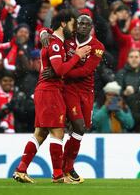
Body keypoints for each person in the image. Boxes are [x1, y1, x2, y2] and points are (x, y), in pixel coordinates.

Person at [13, 10, 90, 184]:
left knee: (40, 133)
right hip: (50, 91)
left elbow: (57, 68)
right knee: (57, 132)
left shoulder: (54, 40)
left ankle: (21, 170)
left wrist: (43, 32)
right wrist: (77, 55)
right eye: (72, 24)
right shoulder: (55, 43)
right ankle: (57, 175)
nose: (75, 28)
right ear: (63, 24)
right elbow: (60, 70)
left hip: (47, 90)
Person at [41, 14, 105, 183]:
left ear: (91, 27)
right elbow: (53, 31)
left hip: (86, 90)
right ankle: (67, 168)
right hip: (68, 88)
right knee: (78, 125)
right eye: (80, 23)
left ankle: (67, 166)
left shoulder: (98, 47)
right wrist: (43, 32)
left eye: (87, 24)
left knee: (81, 129)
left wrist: (58, 71)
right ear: (76, 25)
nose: (83, 26)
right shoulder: (68, 37)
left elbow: (85, 71)